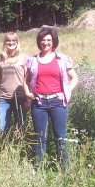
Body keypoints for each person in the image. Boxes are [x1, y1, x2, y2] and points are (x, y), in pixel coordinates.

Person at [25, 27, 78, 168]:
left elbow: (74, 78)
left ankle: (64, 167)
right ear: (39, 42)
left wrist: (66, 92)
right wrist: (27, 92)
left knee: (60, 136)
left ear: (54, 41)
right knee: (40, 136)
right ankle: (38, 167)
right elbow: (26, 80)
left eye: (49, 40)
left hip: (58, 102)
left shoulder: (62, 59)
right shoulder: (32, 60)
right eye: (43, 40)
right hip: (38, 103)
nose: (45, 42)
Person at [0, 32, 29, 139]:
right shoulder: (0, 57)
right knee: (2, 128)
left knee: (21, 127)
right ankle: (4, 149)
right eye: (8, 40)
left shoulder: (24, 57)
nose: (11, 42)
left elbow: (28, 78)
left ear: (17, 42)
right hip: (4, 99)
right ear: (5, 42)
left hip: (20, 98)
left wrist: (28, 100)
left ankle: (19, 149)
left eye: (14, 40)